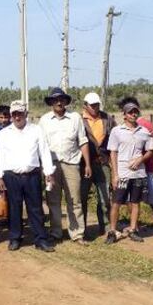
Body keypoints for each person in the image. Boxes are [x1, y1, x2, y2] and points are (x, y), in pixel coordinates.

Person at [0, 101, 56, 252]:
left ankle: (40, 239)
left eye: (20, 113)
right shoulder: (2, 134)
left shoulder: (36, 130)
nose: (17, 117)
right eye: (14, 114)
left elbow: (44, 152)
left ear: (26, 114)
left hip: (32, 175)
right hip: (11, 176)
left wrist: (48, 172)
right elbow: (0, 156)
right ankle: (15, 238)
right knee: (14, 208)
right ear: (11, 115)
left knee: (35, 208)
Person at [39, 87, 92, 244]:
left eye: (61, 99)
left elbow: (82, 141)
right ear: (51, 102)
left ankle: (77, 234)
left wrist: (87, 164)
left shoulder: (75, 118)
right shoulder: (44, 120)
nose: (59, 102)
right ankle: (56, 232)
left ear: (66, 101)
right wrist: (43, 168)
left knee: (74, 200)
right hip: (51, 166)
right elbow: (40, 145)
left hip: (72, 164)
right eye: (55, 100)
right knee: (53, 200)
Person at [105, 99, 153, 244]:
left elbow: (150, 152)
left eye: (135, 112)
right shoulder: (117, 131)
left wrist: (140, 160)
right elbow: (113, 153)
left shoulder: (144, 132)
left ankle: (133, 229)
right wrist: (115, 174)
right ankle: (113, 231)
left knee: (135, 202)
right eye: (130, 112)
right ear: (124, 115)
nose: (133, 114)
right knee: (116, 202)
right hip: (123, 174)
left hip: (138, 173)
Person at [119, 97, 153, 240]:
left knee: (141, 199)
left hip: (144, 168)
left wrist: (152, 137)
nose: (133, 114)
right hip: (133, 170)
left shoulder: (145, 124)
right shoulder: (123, 127)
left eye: (135, 110)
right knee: (138, 199)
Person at [80, 92, 116, 236]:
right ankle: (81, 228)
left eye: (97, 104)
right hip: (84, 165)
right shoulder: (79, 120)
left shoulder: (107, 118)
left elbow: (116, 135)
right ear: (85, 105)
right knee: (82, 196)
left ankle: (105, 226)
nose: (95, 107)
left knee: (105, 196)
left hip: (103, 163)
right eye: (92, 105)